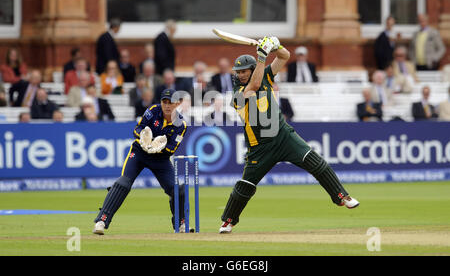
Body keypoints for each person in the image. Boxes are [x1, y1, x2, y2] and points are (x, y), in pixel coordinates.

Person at [219, 37, 359, 234]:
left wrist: (275, 44)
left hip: (283, 135)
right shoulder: (238, 93)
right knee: (246, 186)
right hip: (259, 146)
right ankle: (228, 221)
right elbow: (255, 84)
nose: (240, 75)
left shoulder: (266, 75)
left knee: (317, 163)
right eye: (238, 72)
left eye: (243, 71)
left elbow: (285, 56)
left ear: (251, 69)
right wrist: (261, 55)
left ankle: (342, 197)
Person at [92, 88, 188, 235]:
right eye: (165, 102)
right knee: (123, 183)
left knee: (177, 190)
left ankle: (180, 223)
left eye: (171, 103)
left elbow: (172, 148)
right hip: (140, 153)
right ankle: (102, 221)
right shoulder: (153, 110)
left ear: (177, 104)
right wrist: (144, 138)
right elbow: (137, 128)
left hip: (160, 159)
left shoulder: (181, 124)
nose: (167, 106)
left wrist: (158, 148)